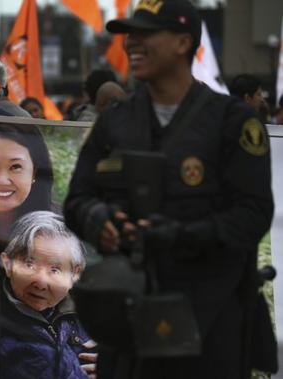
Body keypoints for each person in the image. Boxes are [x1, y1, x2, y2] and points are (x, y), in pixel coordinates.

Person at [64, 0, 273, 378]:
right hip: (126, 315)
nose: (131, 44)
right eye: (130, 35)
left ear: (182, 42)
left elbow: (253, 214)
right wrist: (100, 221)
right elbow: (78, 199)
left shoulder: (232, 121)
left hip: (208, 318)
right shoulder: (116, 120)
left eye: (145, 34)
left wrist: (181, 236)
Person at [0, 211, 96, 379]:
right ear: (8, 264)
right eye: (29, 264)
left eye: (55, 269)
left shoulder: (89, 315)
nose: (41, 283)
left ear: (75, 274)